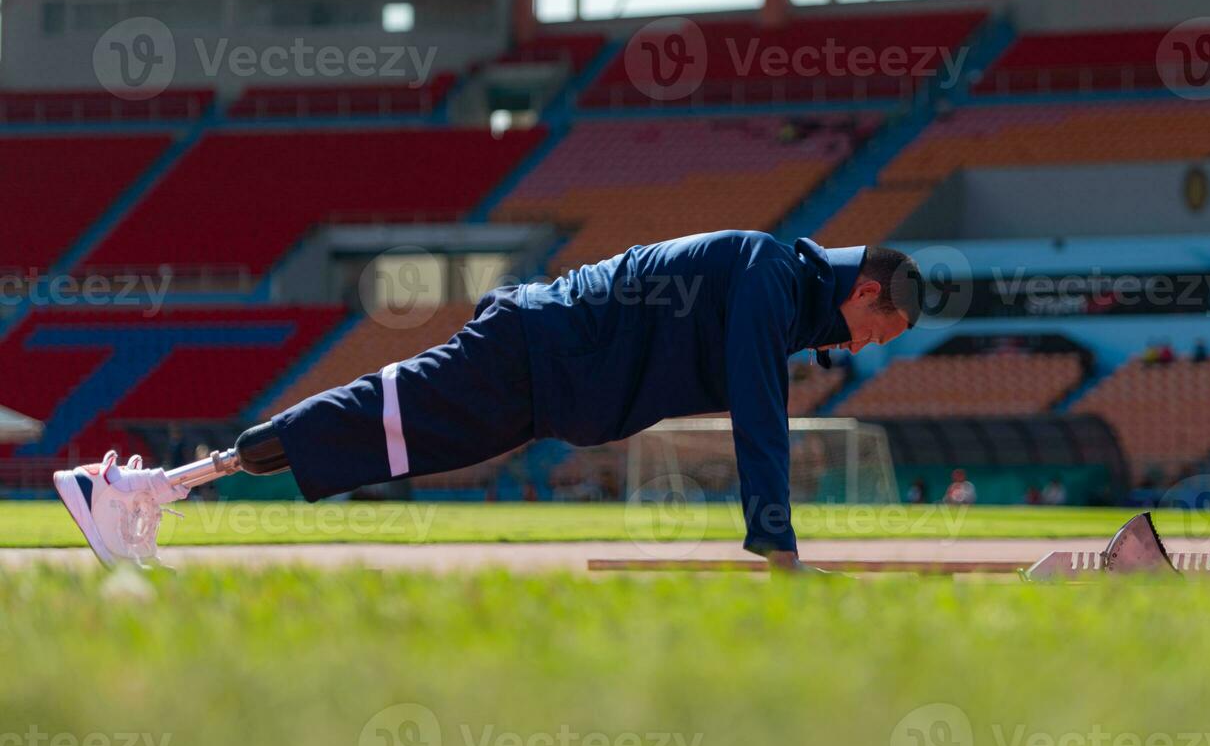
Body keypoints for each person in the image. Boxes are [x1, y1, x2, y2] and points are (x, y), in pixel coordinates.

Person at [52, 231, 924, 572]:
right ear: (865, 293)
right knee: (382, 418)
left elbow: (760, 377)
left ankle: (157, 486)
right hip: (537, 351)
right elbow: (758, 407)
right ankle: (137, 488)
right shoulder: (772, 273)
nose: (862, 349)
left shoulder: (789, 291)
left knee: (392, 440)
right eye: (874, 332)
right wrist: (777, 543)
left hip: (555, 381)